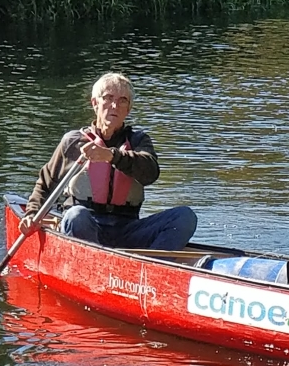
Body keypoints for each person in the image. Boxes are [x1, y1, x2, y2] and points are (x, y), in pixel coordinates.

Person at [22, 72, 197, 251]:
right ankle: (92, 262)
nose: (115, 106)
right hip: (85, 225)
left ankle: (153, 268)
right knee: (76, 215)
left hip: (128, 229)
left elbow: (150, 173)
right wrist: (32, 214)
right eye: (108, 98)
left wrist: (112, 156)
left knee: (185, 217)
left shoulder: (138, 142)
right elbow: (44, 185)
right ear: (95, 103)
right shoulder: (72, 142)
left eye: (122, 100)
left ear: (128, 109)